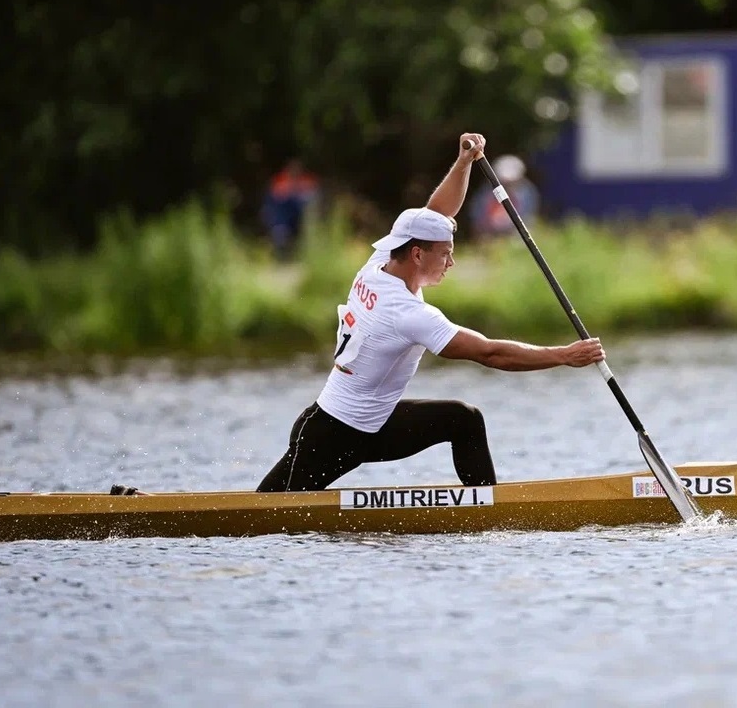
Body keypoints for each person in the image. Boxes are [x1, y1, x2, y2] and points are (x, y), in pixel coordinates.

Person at [256, 133, 605, 492]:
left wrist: (464, 162)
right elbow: (490, 353)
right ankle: (491, 511)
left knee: (463, 419)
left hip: (371, 426)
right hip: (331, 434)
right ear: (419, 255)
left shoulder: (381, 262)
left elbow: (437, 213)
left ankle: (486, 509)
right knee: (262, 518)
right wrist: (563, 356)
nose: (451, 262)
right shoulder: (407, 313)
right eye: (445, 253)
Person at [261, 158, 320, 260]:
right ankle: (282, 256)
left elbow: (314, 197)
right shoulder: (280, 180)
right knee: (279, 228)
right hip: (284, 217)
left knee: (309, 222)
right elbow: (275, 199)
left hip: (303, 216)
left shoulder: (307, 180)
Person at [471, 153, 540, 239]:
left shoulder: (527, 193)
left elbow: (527, 217)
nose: (507, 185)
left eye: (511, 182)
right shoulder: (486, 192)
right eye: (503, 181)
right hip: (490, 235)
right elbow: (477, 217)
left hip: (514, 235)